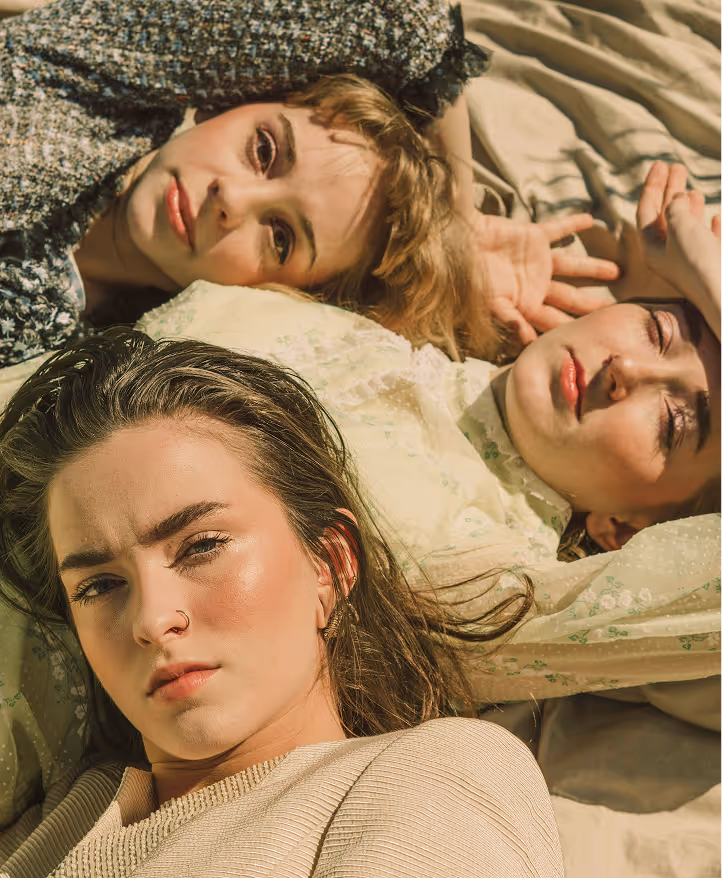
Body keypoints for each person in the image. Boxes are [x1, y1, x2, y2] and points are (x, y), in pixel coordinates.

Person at [0, 330, 563, 877]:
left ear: (330, 564)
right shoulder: (57, 820)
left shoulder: (435, 777)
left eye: (202, 546)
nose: (152, 620)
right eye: (99, 586)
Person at [0, 0, 618, 368]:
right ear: (238, 99)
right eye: (264, 150)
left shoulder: (91, 364)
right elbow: (412, 22)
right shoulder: (91, 74)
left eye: (281, 237)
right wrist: (458, 214)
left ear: (287, 292)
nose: (232, 199)